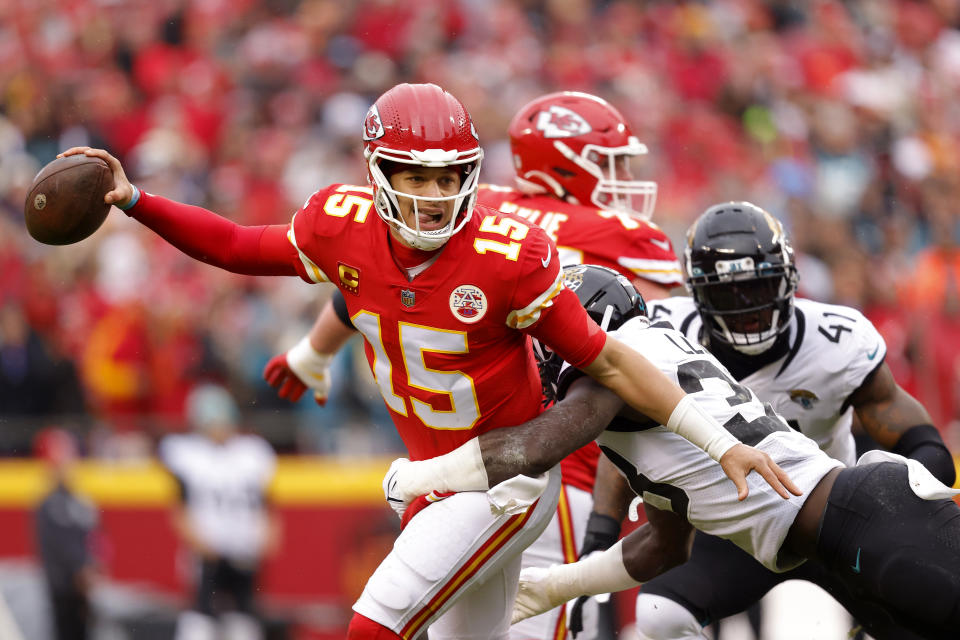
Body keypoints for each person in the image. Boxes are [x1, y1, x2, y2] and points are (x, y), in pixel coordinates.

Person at [58, 82, 795, 640]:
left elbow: (607, 361)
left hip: (502, 481)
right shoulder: (341, 228)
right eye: (416, 177)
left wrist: (719, 440)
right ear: (379, 173)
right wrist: (135, 200)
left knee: (371, 626)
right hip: (434, 476)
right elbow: (240, 247)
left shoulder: (511, 256)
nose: (437, 195)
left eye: (450, 177)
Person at [262, 90, 684, 640]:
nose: (623, 176)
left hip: (468, 461)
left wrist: (311, 353)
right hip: (566, 465)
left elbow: (361, 286)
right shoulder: (616, 236)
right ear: (562, 165)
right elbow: (664, 348)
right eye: (610, 162)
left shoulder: (464, 202)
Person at [383, 263, 960, 640]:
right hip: (851, 529)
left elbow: (535, 448)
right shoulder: (645, 381)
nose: (541, 349)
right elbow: (666, 545)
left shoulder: (614, 372)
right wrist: (557, 586)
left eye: (549, 330)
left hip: (867, 522)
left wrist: (419, 475)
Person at [586, 201, 957, 640]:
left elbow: (916, 435)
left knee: (920, 620)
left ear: (788, 280)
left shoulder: (836, 340)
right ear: (698, 294)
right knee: (659, 617)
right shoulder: (664, 332)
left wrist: (907, 501)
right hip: (732, 533)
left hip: (833, 522)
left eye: (758, 289)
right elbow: (627, 438)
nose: (747, 309)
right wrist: (601, 529)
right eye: (728, 293)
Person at [160, 383, 280, 640]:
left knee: (244, 619)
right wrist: (200, 543)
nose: (219, 427)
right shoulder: (187, 453)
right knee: (200, 618)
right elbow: (179, 508)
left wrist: (266, 537)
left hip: (244, 550)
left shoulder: (252, 453)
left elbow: (267, 504)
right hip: (207, 552)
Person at [34, 428, 100, 640]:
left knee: (83, 629)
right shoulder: (51, 503)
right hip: (63, 584)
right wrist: (80, 569)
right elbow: (61, 544)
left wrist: (93, 564)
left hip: (81, 584)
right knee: (66, 628)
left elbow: (93, 537)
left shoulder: (78, 501)